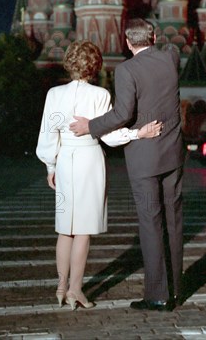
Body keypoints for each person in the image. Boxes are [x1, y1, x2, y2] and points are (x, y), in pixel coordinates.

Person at [36, 40, 162, 311]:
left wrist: (51, 167)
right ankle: (75, 290)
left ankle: (60, 287)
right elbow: (110, 134)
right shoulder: (100, 95)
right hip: (89, 161)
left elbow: (48, 134)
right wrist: (138, 133)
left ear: (69, 62)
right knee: (82, 231)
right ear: (94, 66)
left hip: (65, 160)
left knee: (64, 230)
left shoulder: (53, 94)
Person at [70, 18, 184, 311]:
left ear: (127, 42)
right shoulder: (171, 58)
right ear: (154, 36)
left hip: (145, 157)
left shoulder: (126, 69)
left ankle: (157, 295)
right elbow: (170, 48)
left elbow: (123, 113)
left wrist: (90, 126)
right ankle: (176, 289)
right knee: (173, 220)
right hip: (172, 152)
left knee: (150, 223)